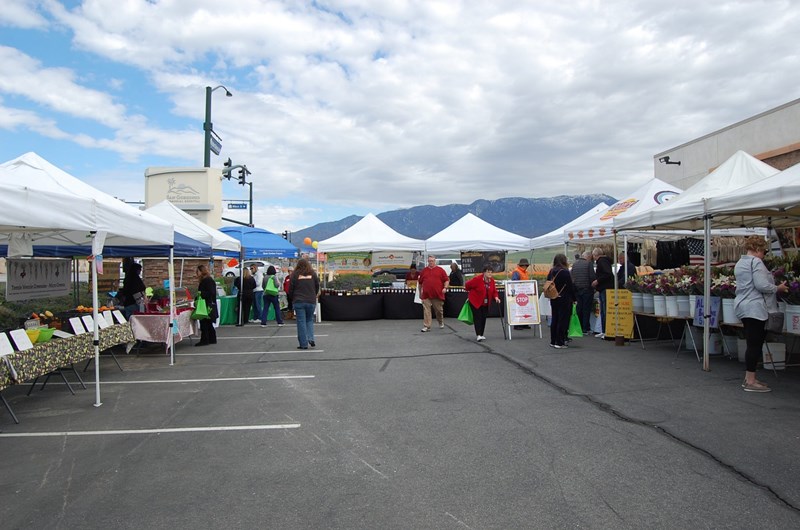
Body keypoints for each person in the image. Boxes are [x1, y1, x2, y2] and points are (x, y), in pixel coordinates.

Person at [734, 235, 788, 392]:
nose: (764, 254)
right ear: (758, 249)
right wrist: (777, 288)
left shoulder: (740, 262)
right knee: (755, 344)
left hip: (743, 306)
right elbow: (761, 285)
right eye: (764, 250)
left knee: (752, 342)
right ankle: (750, 381)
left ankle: (749, 377)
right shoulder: (756, 262)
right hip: (756, 308)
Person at [287, 258, 320, 349]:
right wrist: (314, 294)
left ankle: (303, 344)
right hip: (311, 301)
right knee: (309, 320)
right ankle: (311, 338)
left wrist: (292, 298)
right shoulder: (313, 274)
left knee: (301, 322)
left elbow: (291, 289)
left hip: (299, 301)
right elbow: (317, 286)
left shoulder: (295, 275)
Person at [465, 264, 501, 342]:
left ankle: (481, 334)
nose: (490, 274)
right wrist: (471, 292)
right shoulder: (477, 279)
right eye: (488, 272)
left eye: (491, 272)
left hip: (485, 302)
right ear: (484, 272)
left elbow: (494, 291)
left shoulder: (492, 281)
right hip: (475, 301)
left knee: (483, 317)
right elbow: (467, 285)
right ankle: (478, 335)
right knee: (477, 317)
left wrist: (496, 297)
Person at [547, 254, 576, 349]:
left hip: (554, 297)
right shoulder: (565, 272)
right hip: (564, 298)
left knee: (555, 319)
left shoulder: (551, 271)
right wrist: (574, 298)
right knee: (563, 320)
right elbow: (570, 287)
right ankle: (560, 342)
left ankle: (553, 340)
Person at [418, 255, 449, 332]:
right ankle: (426, 326)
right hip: (426, 294)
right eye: (429, 261)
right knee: (426, 310)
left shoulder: (440, 270)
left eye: (432, 261)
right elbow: (420, 283)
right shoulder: (424, 271)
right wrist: (420, 293)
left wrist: (445, 287)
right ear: (427, 261)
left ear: (435, 261)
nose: (431, 262)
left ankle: (440, 321)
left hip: (437, 294)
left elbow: (446, 280)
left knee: (439, 310)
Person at [591, 247, 614, 339]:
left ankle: (606, 331)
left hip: (605, 288)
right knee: (603, 310)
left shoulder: (602, 261)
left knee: (605, 310)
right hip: (603, 289)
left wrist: (597, 281)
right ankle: (604, 330)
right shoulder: (604, 261)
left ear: (595, 255)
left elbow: (607, 274)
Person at [571, 251, 595, 335]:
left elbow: (572, 277)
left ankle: (579, 327)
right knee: (586, 309)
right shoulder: (589, 264)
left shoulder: (575, 264)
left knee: (579, 309)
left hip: (577, 290)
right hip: (587, 290)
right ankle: (585, 328)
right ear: (588, 257)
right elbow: (592, 277)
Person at [195, 264, 218, 346]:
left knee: (204, 322)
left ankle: (205, 339)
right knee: (208, 322)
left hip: (206, 304)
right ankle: (212, 338)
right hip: (206, 303)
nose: (196, 273)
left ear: (201, 271)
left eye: (197, 271)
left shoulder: (207, 280)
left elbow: (211, 292)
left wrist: (201, 294)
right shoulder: (207, 280)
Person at [510, 258, 532, 330]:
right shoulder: (517, 272)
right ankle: (517, 325)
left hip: (524, 293)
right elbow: (514, 282)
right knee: (518, 309)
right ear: (523, 265)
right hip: (519, 293)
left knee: (524, 309)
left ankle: (524, 323)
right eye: (526, 265)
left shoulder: (525, 272)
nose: (526, 266)